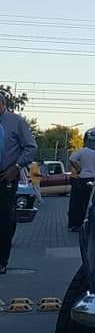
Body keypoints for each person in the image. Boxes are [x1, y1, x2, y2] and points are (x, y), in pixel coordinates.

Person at [0, 91, 38, 274]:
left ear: (2, 105)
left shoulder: (16, 122)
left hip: (6, 175)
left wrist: (16, 166)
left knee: (3, 219)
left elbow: (31, 147)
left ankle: (1, 261)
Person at [68, 131, 95, 231]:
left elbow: (72, 159)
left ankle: (76, 224)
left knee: (79, 202)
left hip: (84, 178)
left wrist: (79, 169)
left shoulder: (83, 151)